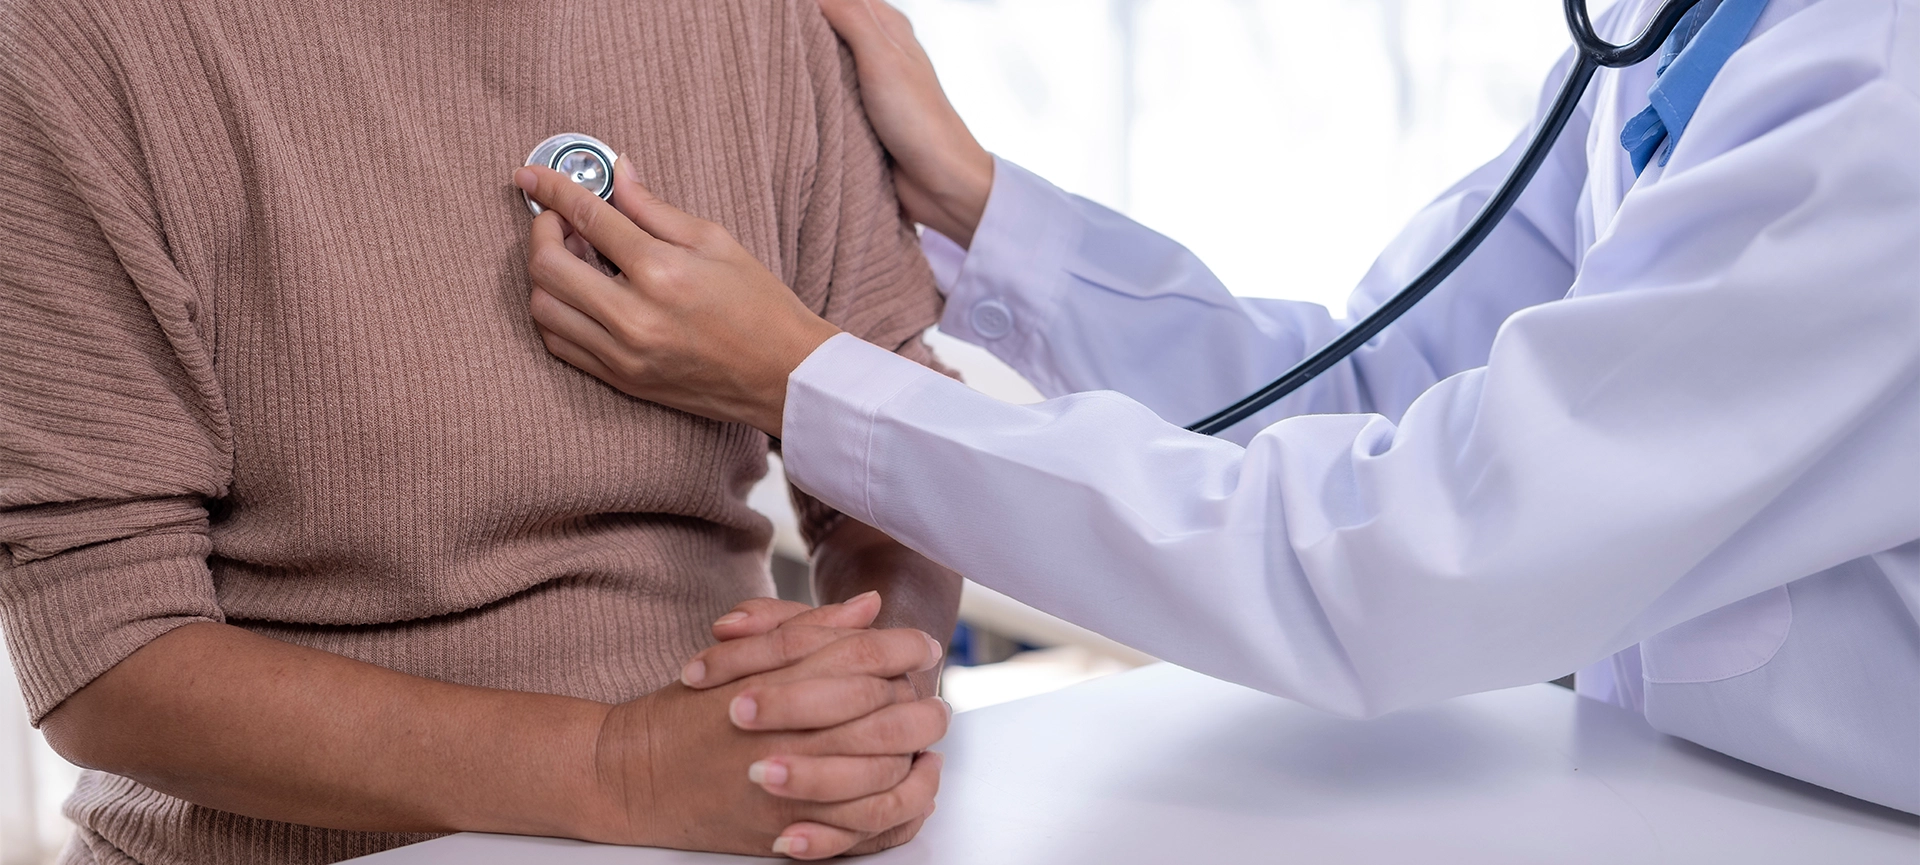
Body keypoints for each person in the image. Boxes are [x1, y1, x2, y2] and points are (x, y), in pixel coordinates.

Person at [515, 0, 1920, 815]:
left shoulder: (1881, 95)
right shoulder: (1682, 31)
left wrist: (802, 379)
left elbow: (1403, 558)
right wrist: (989, 218)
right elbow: (1386, 383)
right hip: (1665, 800)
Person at [0, 1, 966, 862]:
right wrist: (617, 767)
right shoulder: (76, 44)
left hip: (740, 821)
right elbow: (107, 654)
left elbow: (890, 456)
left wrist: (857, 707)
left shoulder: (771, 25)